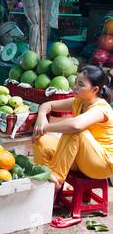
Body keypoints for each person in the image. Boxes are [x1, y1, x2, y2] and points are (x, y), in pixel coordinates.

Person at [33, 65, 113, 194]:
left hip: (101, 164)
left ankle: (57, 179)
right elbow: (47, 105)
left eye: (81, 84)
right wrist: (41, 118)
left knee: (76, 130)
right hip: (81, 159)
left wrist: (46, 127)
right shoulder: (78, 102)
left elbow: (76, 125)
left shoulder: (101, 108)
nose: (75, 87)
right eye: (75, 82)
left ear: (95, 89)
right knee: (41, 140)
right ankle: (45, 185)